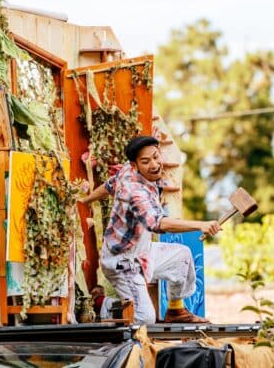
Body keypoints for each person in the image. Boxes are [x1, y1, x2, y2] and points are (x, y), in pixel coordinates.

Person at [80, 136, 221, 324]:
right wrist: (200, 225)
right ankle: (102, 304)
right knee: (145, 319)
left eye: (156, 156)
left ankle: (175, 311)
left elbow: (108, 186)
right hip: (122, 262)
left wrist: (85, 201)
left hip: (142, 252)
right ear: (135, 164)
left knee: (183, 256)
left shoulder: (126, 171)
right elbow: (158, 224)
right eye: (146, 161)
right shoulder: (136, 192)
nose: (154, 165)